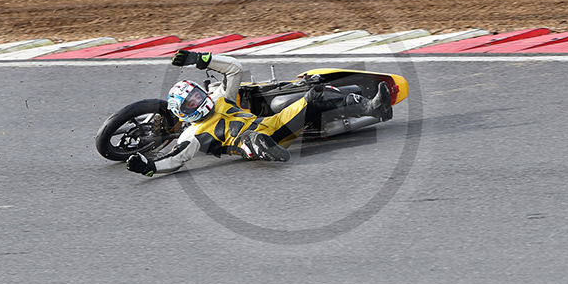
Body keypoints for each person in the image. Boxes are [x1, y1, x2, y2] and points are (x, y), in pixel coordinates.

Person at [126, 49, 392, 177]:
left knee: (316, 96)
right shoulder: (193, 135)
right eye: (191, 103)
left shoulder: (220, 97)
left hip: (275, 125)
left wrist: (200, 59)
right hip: (248, 141)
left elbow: (233, 69)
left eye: (197, 95)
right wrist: (148, 166)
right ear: (183, 113)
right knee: (250, 139)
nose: (198, 101)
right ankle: (266, 150)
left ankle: (373, 107)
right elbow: (175, 159)